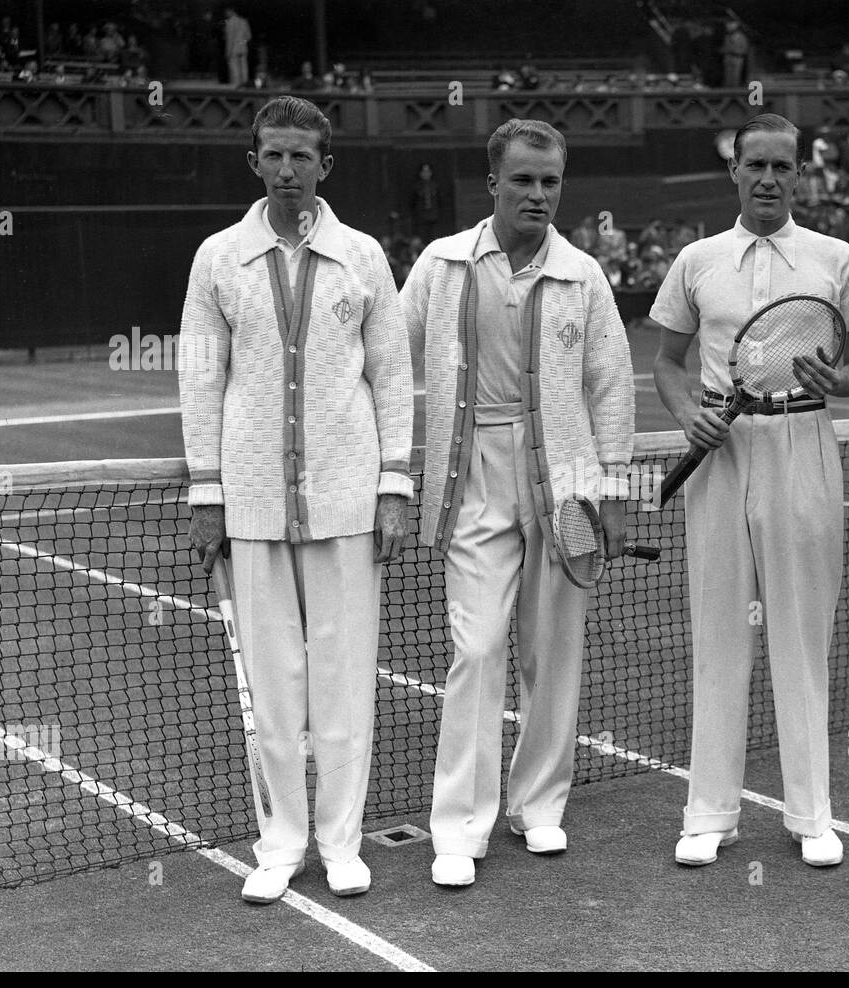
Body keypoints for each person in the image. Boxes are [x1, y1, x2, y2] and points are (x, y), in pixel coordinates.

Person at [178, 95, 414, 903]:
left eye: (301, 157)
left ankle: (342, 843)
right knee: (273, 687)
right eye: (273, 156)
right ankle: (280, 843)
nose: (287, 170)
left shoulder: (366, 257)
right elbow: (201, 378)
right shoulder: (217, 258)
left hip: (349, 502)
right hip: (250, 504)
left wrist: (393, 485)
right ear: (254, 161)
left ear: (325, 165)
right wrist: (208, 490)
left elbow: (392, 373)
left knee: (344, 682)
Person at [400, 119, 634, 888]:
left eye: (551, 181)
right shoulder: (440, 265)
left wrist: (612, 490)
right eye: (524, 179)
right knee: (476, 648)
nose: (538, 194)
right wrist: (390, 473)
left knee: (552, 652)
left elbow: (609, 386)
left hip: (565, 485)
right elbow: (388, 358)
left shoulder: (584, 275)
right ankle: (459, 826)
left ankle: (538, 807)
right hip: (471, 479)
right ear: (492, 182)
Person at [651, 113, 849, 869]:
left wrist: (837, 380)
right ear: (735, 170)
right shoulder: (697, 260)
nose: (769, 178)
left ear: (799, 174)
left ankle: (811, 814)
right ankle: (708, 814)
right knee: (718, 631)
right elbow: (668, 361)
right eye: (756, 164)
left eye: (783, 166)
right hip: (720, 451)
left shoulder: (836, 259)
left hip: (804, 443)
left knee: (801, 634)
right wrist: (691, 416)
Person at [224, 5, 251, 87]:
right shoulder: (244, 21)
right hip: (243, 48)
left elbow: (230, 38)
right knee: (244, 67)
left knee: (234, 68)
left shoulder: (230, 23)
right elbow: (249, 37)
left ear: (231, 11)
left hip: (233, 49)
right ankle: (245, 84)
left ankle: (236, 86)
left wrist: (228, 51)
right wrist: (242, 43)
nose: (226, 14)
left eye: (227, 12)